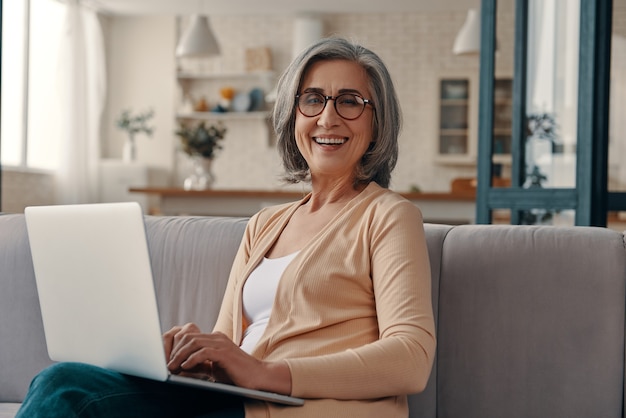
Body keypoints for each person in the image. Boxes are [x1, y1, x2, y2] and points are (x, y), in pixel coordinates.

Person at [17, 36, 436, 418]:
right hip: (233, 399)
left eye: (349, 101)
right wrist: (195, 357)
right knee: (63, 384)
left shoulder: (388, 215)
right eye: (312, 99)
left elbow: (411, 358)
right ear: (293, 116)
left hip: (304, 408)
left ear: (377, 122)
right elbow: (229, 344)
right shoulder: (265, 224)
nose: (328, 117)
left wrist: (265, 373)